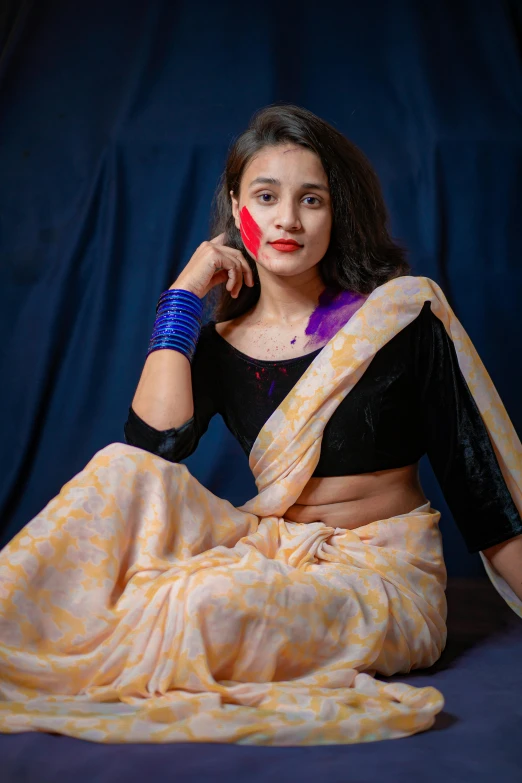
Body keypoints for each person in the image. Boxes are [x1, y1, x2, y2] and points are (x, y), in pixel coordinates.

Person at [0, 104, 520, 746]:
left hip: (381, 578)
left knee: (198, 608)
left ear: (339, 213)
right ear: (235, 206)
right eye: (266, 197)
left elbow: (483, 498)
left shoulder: (399, 322)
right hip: (269, 554)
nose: (287, 220)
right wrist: (185, 298)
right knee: (117, 472)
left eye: (312, 201)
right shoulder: (221, 345)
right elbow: (153, 449)